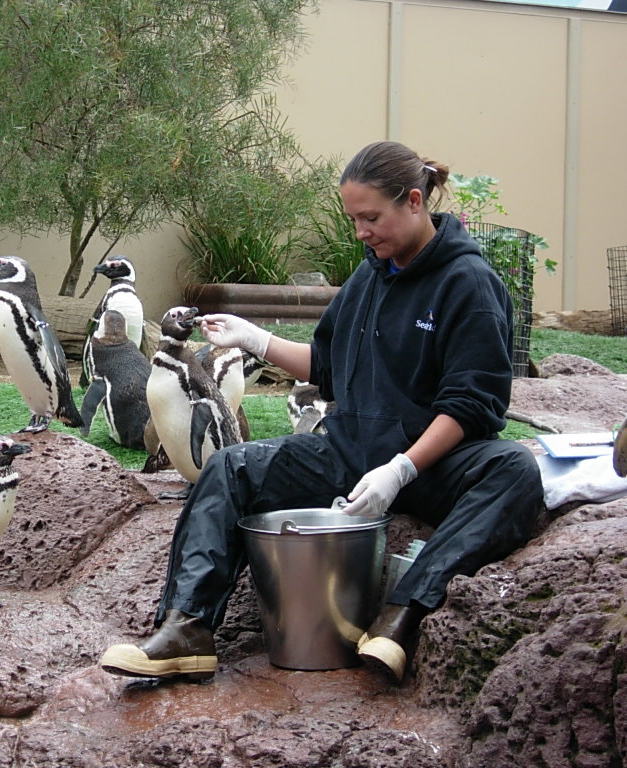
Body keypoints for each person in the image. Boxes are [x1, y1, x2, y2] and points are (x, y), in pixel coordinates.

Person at [99, 140, 544, 683]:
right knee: (232, 466)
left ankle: (401, 616)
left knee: (514, 470)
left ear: (413, 201)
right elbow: (329, 366)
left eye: (371, 217)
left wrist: (401, 469)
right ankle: (187, 628)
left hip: (429, 465)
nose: (361, 232)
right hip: (346, 451)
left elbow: (473, 404)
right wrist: (257, 340)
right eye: (353, 218)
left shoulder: (469, 284)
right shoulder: (369, 275)